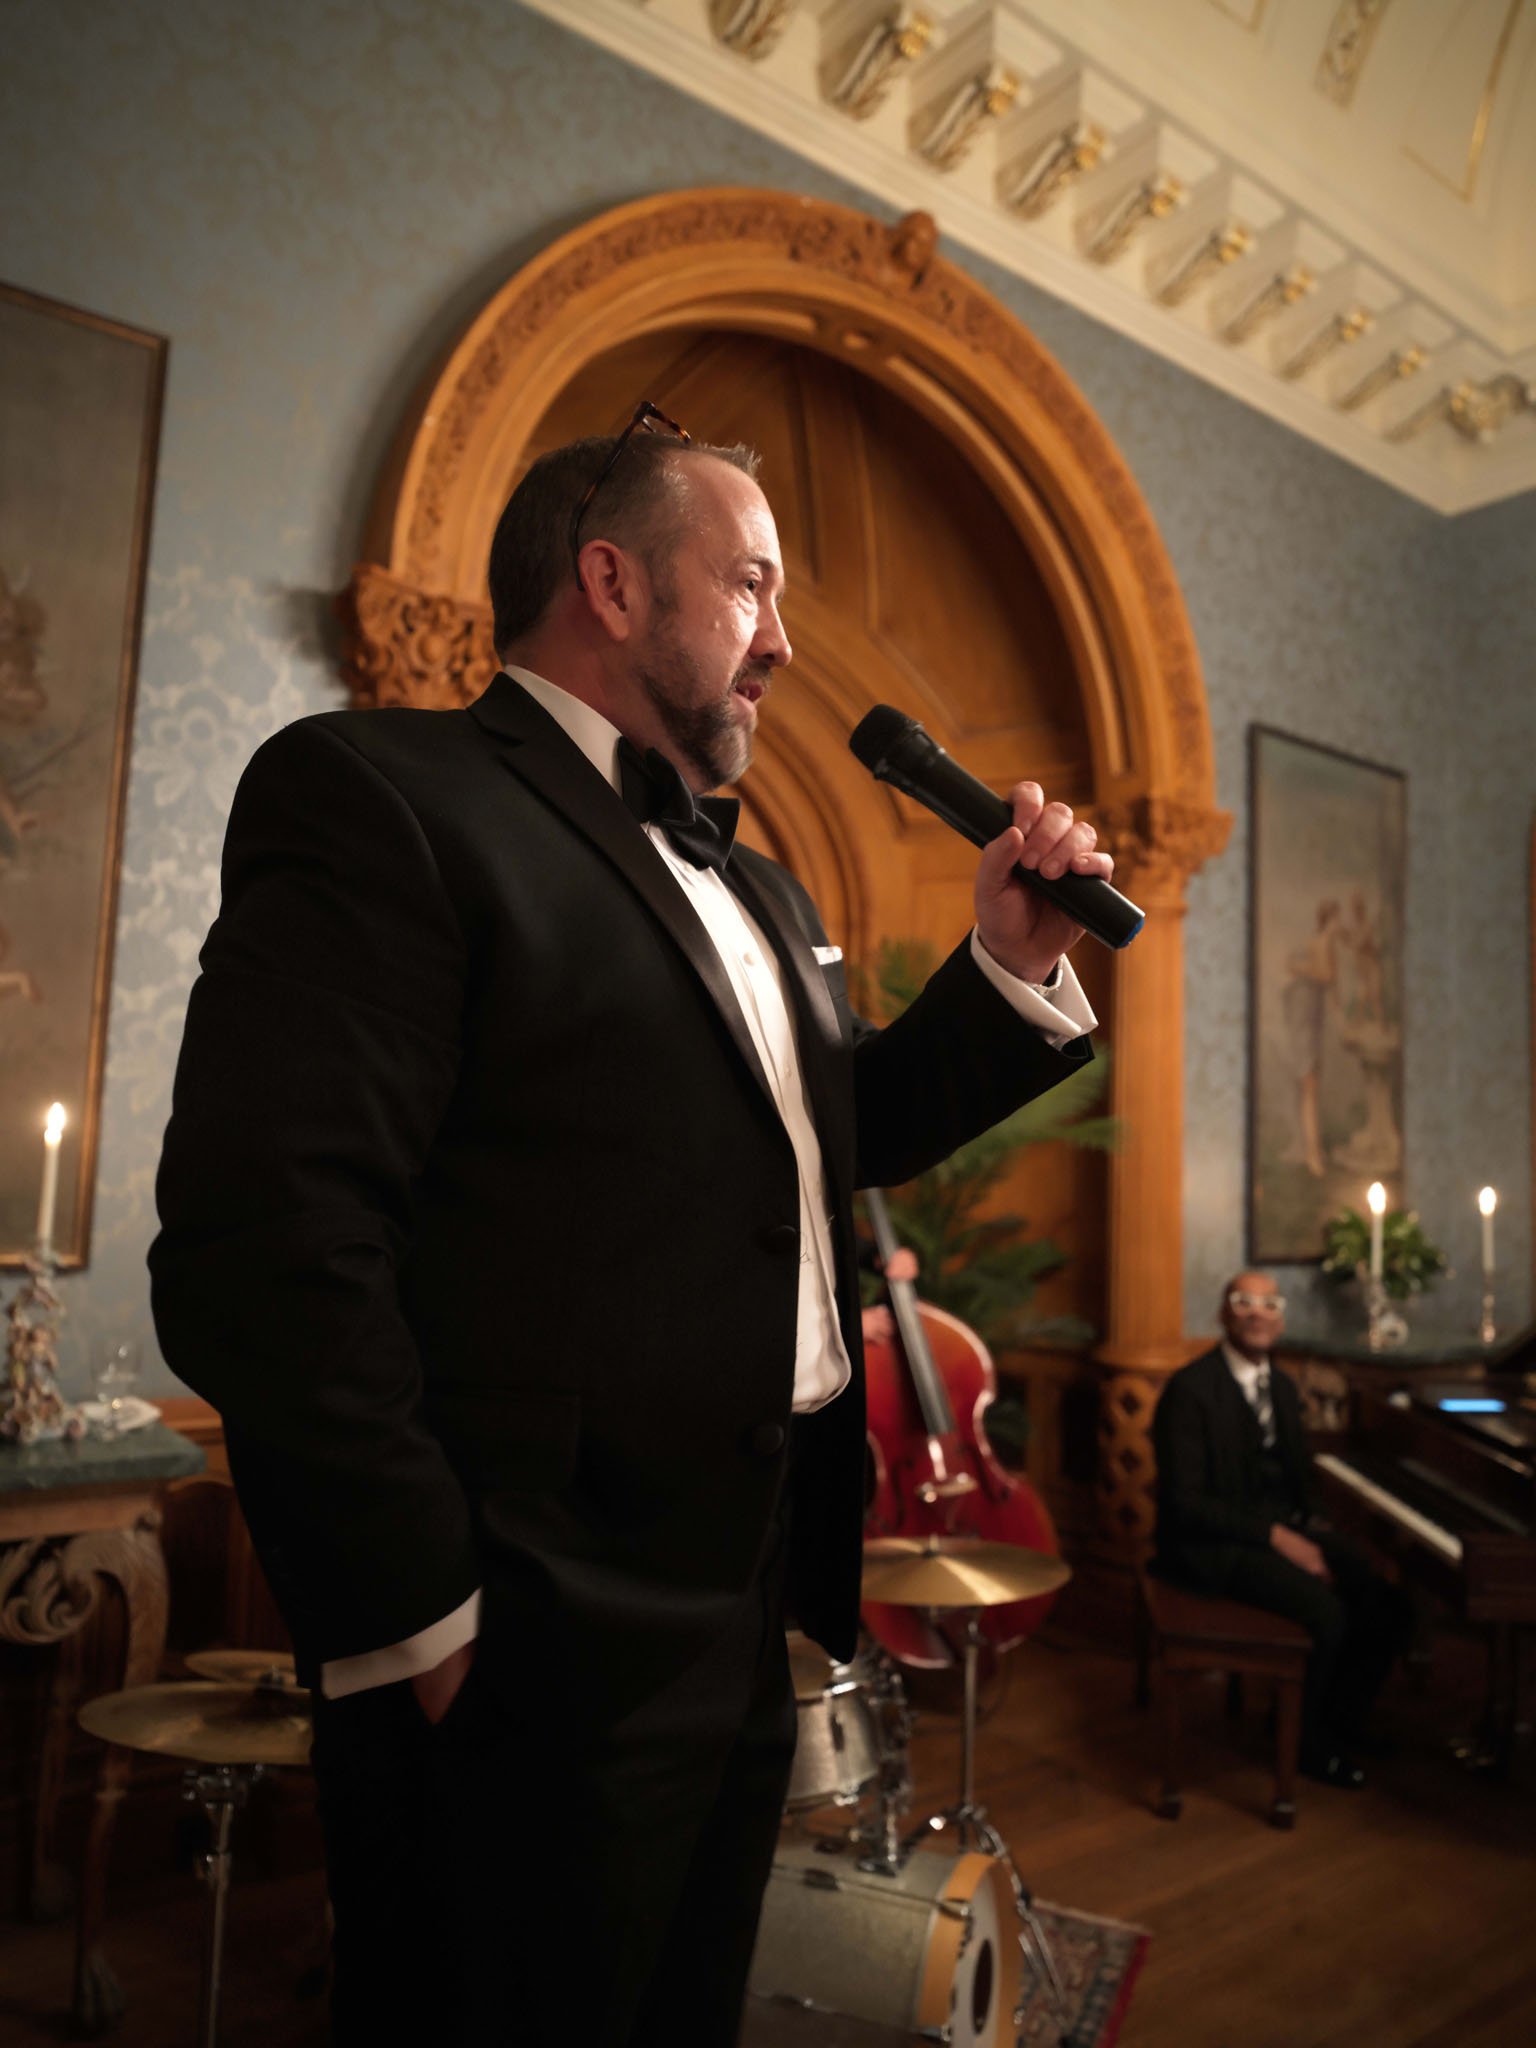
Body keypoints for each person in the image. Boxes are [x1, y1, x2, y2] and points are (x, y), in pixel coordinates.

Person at [149, 408, 1111, 2046]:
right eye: (750, 584)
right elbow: (267, 1239)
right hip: (523, 1626)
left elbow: (834, 1139)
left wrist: (1007, 964)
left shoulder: (767, 887)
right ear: (610, 579)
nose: (786, 643)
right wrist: (423, 1622)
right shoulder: (382, 791)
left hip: (746, 1606)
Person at [1152, 1271, 1413, 1788]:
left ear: (1281, 1319)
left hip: (1278, 1529)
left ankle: (1339, 1720)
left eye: (1270, 1304)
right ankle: (1306, 1746)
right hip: (1213, 1547)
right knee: (1328, 1613)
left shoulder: (1284, 1388)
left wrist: (1321, 1536)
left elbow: (1301, 1482)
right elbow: (1185, 1504)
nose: (1257, 1312)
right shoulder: (1189, 1391)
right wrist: (1281, 1541)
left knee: (1388, 1602)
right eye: (1243, 1302)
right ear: (1224, 1314)